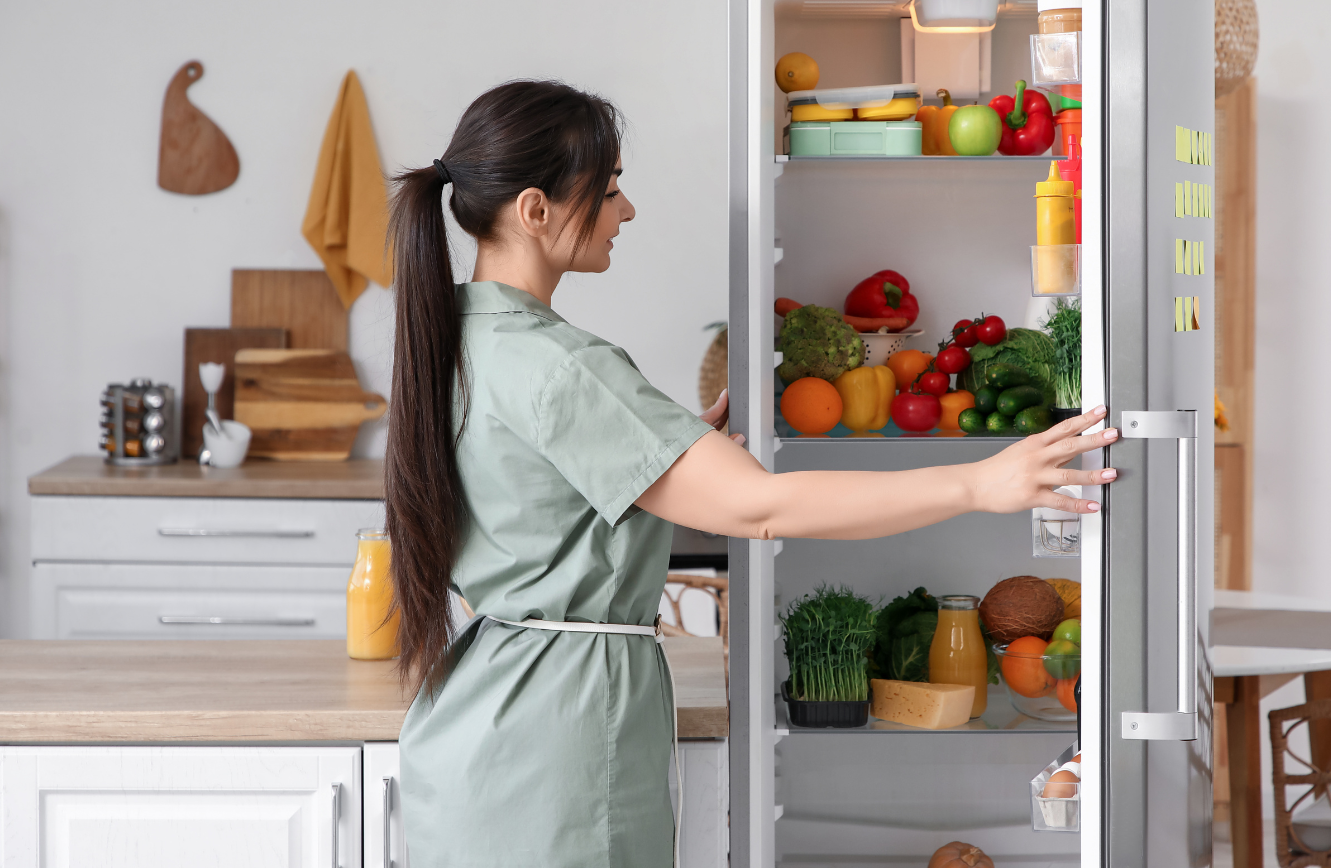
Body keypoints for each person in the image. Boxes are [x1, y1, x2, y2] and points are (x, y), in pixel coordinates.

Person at [386, 80, 1119, 868]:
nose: (625, 211)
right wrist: (978, 483)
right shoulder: (563, 364)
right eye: (609, 188)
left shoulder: (457, 336)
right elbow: (763, 508)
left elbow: (534, 493)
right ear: (535, 210)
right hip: (551, 749)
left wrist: (665, 453)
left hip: (477, 731)